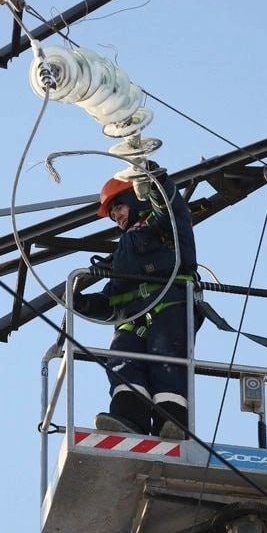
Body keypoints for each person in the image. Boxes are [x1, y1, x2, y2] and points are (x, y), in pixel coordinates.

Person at [73, 161, 201, 440]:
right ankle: (130, 417)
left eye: (119, 207)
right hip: (132, 317)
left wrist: (156, 182)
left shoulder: (165, 227)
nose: (116, 216)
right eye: (112, 213)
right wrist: (83, 303)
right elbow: (112, 298)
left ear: (135, 199)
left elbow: (170, 206)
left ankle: (173, 420)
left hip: (169, 303)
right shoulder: (123, 253)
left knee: (165, 359)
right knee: (122, 358)